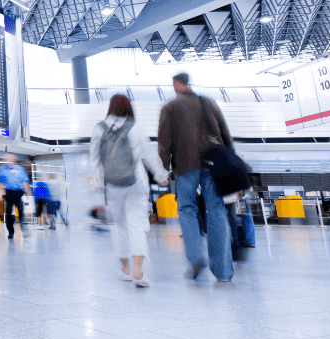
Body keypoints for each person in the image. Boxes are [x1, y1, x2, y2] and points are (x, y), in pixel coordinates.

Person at [158, 72, 234, 282]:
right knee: (217, 211)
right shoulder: (208, 103)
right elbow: (225, 134)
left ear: (176, 84)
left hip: (185, 165)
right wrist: (231, 164)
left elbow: (164, 142)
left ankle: (195, 256)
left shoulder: (170, 108)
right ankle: (224, 272)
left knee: (186, 209)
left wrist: (164, 169)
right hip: (213, 164)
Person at [91, 94, 168, 287]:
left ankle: (125, 270)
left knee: (118, 226)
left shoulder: (99, 128)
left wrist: (100, 182)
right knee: (136, 225)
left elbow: (95, 159)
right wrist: (160, 175)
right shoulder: (135, 127)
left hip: (112, 184)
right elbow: (150, 155)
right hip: (136, 182)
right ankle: (138, 272)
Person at [0, 154, 30, 239]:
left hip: (18, 192)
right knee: (8, 213)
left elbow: (24, 181)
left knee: (21, 211)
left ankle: (24, 229)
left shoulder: (20, 169)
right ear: (4, 160)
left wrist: (28, 191)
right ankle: (11, 232)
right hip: (7, 192)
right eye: (6, 159)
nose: (8, 160)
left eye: (10, 159)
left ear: (14, 160)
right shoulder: (1, 169)